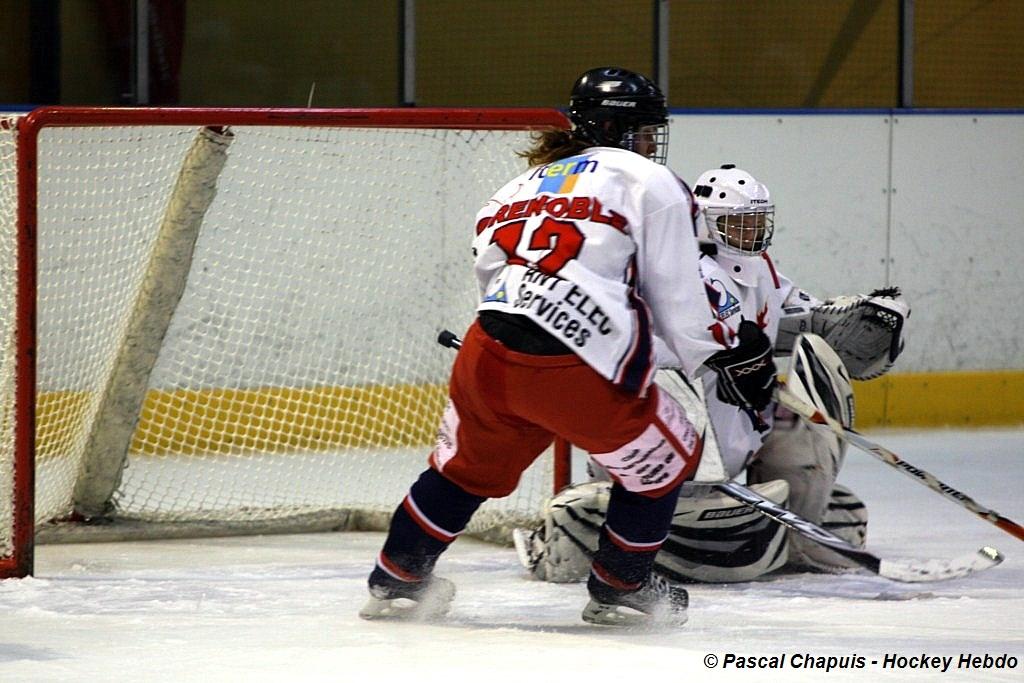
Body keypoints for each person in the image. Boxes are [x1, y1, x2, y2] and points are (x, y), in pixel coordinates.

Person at [358, 69, 777, 626]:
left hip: (488, 349)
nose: (653, 143)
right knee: (669, 451)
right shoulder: (646, 179)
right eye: (647, 130)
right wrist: (726, 347)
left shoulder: (516, 187)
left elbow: (491, 275)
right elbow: (677, 295)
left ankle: (397, 579)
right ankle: (621, 587)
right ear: (621, 129)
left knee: (463, 470)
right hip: (577, 360)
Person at [515, 165, 911, 584]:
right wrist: (730, 357)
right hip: (656, 454)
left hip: (734, 438)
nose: (752, 232)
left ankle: (795, 521)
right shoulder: (676, 273)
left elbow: (795, 318)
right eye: (739, 224)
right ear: (706, 224)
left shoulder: (761, 270)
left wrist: (856, 317)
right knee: (671, 389)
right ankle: (622, 522)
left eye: (758, 221)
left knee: (815, 375)